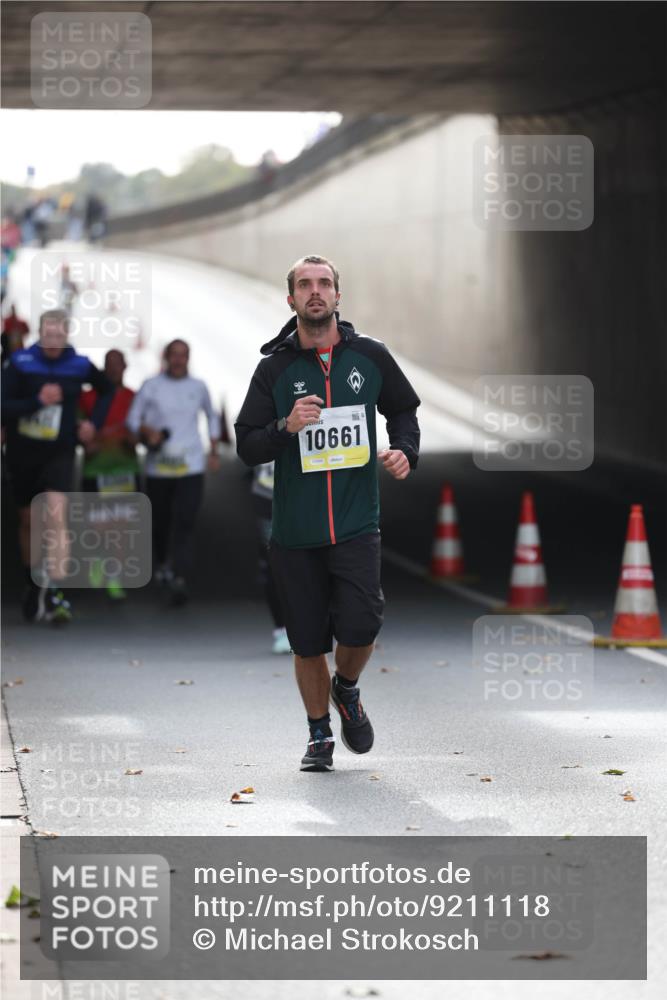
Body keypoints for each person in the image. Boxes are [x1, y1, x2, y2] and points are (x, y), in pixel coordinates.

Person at [235, 255, 420, 772]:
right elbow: (246, 445)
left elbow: (402, 409)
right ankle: (319, 734)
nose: (314, 291)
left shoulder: (370, 356)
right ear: (290, 298)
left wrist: (405, 450)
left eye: (323, 283)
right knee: (308, 640)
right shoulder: (274, 369)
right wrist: (285, 427)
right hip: (296, 530)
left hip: (357, 523)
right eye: (304, 284)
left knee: (361, 626)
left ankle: (348, 687)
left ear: (339, 295)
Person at [1, 308, 110, 622]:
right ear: (39, 333)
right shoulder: (20, 363)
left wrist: (92, 424)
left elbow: (106, 390)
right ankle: (32, 583)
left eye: (58, 335)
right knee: (29, 521)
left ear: (67, 335)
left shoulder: (79, 364)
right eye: (48, 334)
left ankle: (55, 591)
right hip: (23, 452)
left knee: (56, 514)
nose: (53, 341)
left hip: (59, 451)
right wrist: (38, 401)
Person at [126, 339, 221, 606]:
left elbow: (212, 416)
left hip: (191, 466)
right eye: (174, 355)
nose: (179, 360)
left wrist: (214, 450)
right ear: (166, 357)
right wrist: (148, 432)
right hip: (159, 468)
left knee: (185, 520)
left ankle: (179, 575)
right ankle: (163, 563)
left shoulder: (198, 386)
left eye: (183, 355)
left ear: (188, 358)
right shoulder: (151, 386)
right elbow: (132, 419)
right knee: (162, 521)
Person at [79, 348, 139, 600]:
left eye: (118, 363)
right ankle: (98, 560)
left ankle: (114, 575)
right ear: (103, 368)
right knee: (97, 526)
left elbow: (144, 427)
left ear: (126, 366)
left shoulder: (134, 397)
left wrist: (135, 438)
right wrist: (84, 441)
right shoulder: (87, 396)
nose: (114, 369)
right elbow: (75, 424)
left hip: (125, 470)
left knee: (121, 528)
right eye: (109, 364)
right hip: (96, 469)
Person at [249, 461, 291, 654]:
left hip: (306, 496)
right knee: (274, 564)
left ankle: (308, 624)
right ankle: (282, 629)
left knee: (308, 562)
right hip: (267, 495)